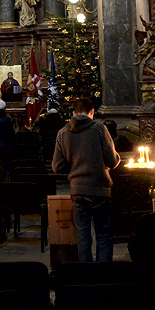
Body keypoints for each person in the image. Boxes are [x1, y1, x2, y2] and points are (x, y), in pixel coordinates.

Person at [51, 98, 120, 262]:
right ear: (92, 112)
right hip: (99, 188)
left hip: (78, 189)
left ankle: (86, 273)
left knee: (82, 234)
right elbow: (112, 161)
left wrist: (74, 168)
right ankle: (103, 273)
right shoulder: (99, 129)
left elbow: (57, 166)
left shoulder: (63, 132)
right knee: (103, 233)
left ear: (73, 113)